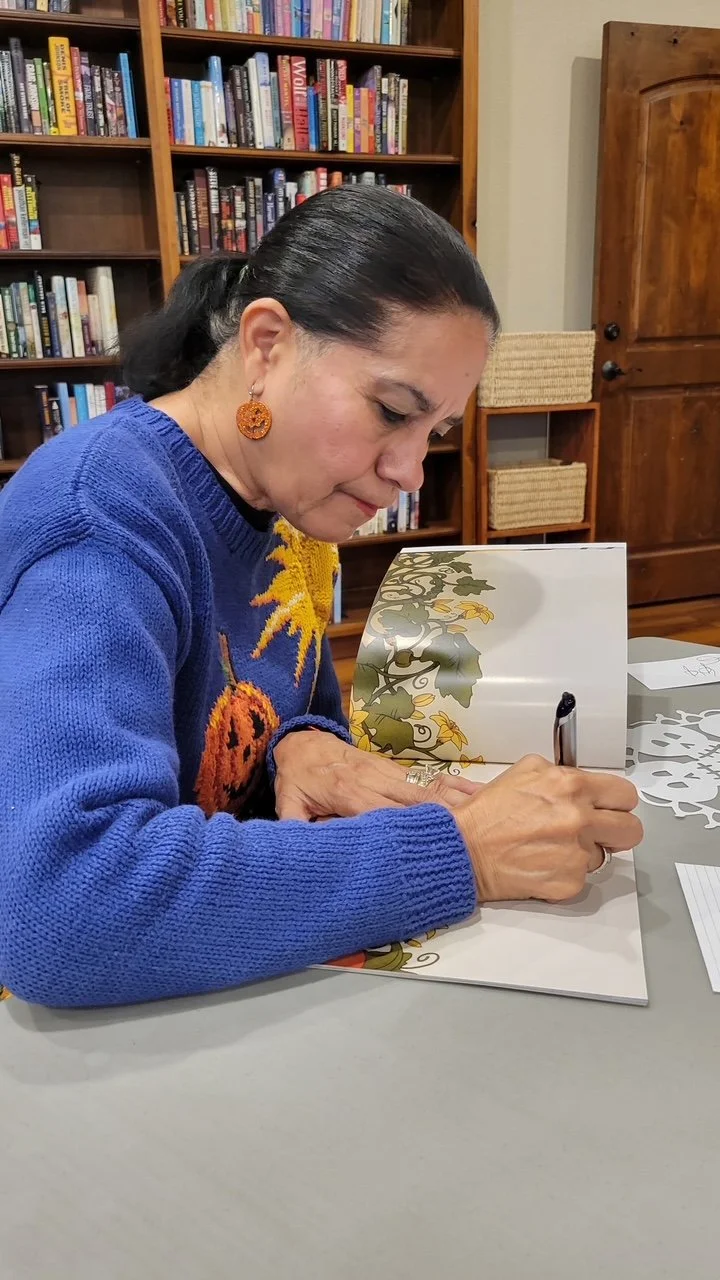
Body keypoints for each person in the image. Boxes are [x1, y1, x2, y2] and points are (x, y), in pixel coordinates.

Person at [0, 186, 642, 1008]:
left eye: (433, 434)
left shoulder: (291, 499)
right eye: (390, 411)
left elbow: (290, 702)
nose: (409, 472)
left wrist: (298, 745)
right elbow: (65, 910)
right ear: (266, 345)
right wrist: (463, 852)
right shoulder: (101, 516)